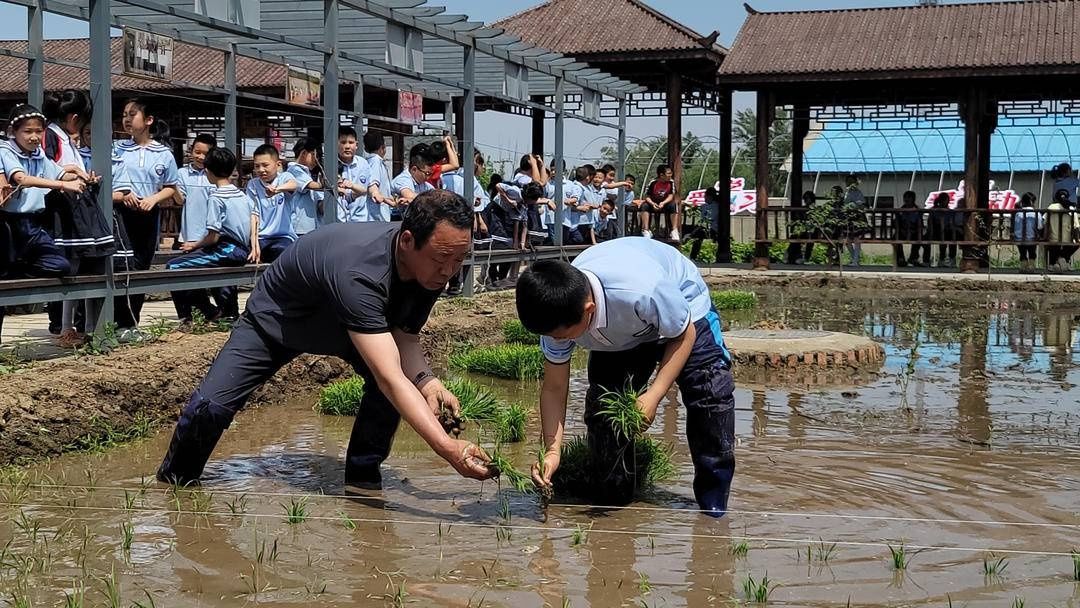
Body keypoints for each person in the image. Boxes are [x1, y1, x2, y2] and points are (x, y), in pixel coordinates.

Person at [155, 189, 494, 487]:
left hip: (353, 328)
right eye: (441, 259)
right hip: (280, 321)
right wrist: (446, 447)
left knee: (389, 388)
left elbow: (404, 334)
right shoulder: (360, 270)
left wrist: (427, 381)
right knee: (210, 408)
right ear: (407, 241)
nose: (450, 271)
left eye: (459, 259)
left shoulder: (431, 269)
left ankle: (363, 478)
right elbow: (390, 377)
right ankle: (175, 483)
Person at [516, 238, 734, 516]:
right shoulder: (557, 314)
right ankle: (614, 500)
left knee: (709, 396)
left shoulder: (642, 289)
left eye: (562, 335)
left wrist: (654, 395)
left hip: (685, 313)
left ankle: (713, 506)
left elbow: (684, 333)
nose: (557, 342)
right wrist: (552, 450)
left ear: (588, 311)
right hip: (622, 332)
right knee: (604, 412)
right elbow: (554, 388)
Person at [0, 104, 85, 342]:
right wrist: (63, 185)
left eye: (38, 131)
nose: (34, 136)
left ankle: (16, 269)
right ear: (13, 132)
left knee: (60, 264)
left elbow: (58, 173)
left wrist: (80, 174)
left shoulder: (39, 155)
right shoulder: (5, 151)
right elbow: (22, 178)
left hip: (33, 224)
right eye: (28, 131)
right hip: (8, 223)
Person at [42, 90, 114, 347]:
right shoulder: (50, 136)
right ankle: (66, 327)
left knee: (84, 265)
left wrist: (85, 177)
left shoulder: (64, 138)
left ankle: (85, 326)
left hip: (77, 209)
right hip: (63, 211)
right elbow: (45, 168)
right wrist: (69, 174)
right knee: (71, 267)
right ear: (75, 119)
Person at [167, 147, 260, 322]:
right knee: (214, 268)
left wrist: (194, 245)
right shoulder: (242, 194)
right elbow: (255, 217)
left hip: (227, 248)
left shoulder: (217, 197)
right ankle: (228, 313)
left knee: (174, 267)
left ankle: (198, 314)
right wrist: (255, 244)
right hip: (240, 248)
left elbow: (213, 236)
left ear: (208, 171)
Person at [111, 98, 179, 333]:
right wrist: (122, 194)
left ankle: (131, 322)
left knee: (140, 266)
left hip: (148, 215)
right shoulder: (116, 148)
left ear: (148, 120)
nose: (126, 119)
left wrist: (153, 199)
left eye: (132, 114)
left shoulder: (164, 154)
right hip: (120, 214)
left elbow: (171, 186)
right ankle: (116, 321)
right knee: (121, 264)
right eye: (124, 115)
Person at [171, 133, 222, 322]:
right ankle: (188, 316)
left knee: (197, 277)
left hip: (211, 234)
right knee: (180, 277)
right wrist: (171, 183)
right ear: (190, 151)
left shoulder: (217, 175)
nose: (200, 157)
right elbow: (180, 200)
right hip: (189, 235)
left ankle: (211, 312)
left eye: (205, 153)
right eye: (196, 152)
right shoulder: (182, 174)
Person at [442, 150, 490, 296]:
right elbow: (477, 203)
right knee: (462, 252)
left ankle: (452, 284)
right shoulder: (467, 179)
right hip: (463, 221)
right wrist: (478, 219)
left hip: (447, 221)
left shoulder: (444, 177)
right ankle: (458, 284)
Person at [246, 143, 298, 263]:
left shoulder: (284, 177)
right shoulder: (252, 185)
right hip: (261, 237)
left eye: (265, 165)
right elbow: (254, 216)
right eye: (257, 166)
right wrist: (255, 245)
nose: (261, 170)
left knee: (282, 251)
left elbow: (294, 184)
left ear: (278, 164)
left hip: (283, 237)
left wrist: (277, 190)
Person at [287, 137, 325, 237]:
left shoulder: (309, 174)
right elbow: (311, 185)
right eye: (314, 155)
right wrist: (328, 183)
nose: (317, 160)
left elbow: (320, 206)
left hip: (313, 226)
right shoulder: (294, 170)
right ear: (304, 153)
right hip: (300, 227)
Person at [336, 126, 369, 222]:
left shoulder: (363, 163)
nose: (347, 146)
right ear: (336, 144)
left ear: (356, 145)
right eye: (343, 142)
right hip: (339, 221)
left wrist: (351, 185)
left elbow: (364, 190)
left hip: (360, 219)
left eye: (351, 142)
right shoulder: (331, 164)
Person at [389, 149, 435, 217]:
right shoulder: (403, 179)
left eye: (431, 174)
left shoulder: (424, 184)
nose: (428, 177)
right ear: (414, 169)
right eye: (427, 173)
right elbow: (410, 196)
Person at [361, 131, 394, 222]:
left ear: (365, 148)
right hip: (377, 216)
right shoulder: (375, 161)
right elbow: (373, 183)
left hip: (379, 214)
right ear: (382, 147)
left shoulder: (368, 161)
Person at [1046, 189, 1078, 273]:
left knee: (1053, 240)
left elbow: (1045, 222)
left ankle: (1052, 263)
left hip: (1053, 237)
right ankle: (1064, 258)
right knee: (1074, 241)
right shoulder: (1071, 208)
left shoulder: (1051, 207)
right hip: (1067, 239)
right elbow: (1076, 226)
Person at [643, 164, 678, 241]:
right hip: (653, 203)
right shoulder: (653, 183)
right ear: (661, 175)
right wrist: (652, 204)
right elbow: (647, 196)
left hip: (665, 203)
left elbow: (671, 196)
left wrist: (663, 203)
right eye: (668, 174)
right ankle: (646, 230)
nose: (670, 175)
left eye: (671, 173)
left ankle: (674, 230)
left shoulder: (671, 183)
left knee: (673, 205)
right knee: (645, 206)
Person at [1012, 192, 1042, 273]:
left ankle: (1023, 266)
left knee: (1022, 252)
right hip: (1032, 238)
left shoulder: (1018, 214)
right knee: (1032, 252)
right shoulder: (1037, 214)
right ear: (1033, 202)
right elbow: (1040, 227)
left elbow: (1015, 227)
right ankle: (1031, 266)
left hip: (1020, 239)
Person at [893, 190, 924, 268]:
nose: (906, 201)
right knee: (895, 238)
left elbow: (920, 225)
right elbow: (897, 224)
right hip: (903, 231)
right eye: (905, 199)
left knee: (919, 237)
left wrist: (913, 230)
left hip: (914, 232)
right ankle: (900, 259)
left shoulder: (918, 211)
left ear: (913, 199)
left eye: (909, 199)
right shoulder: (900, 211)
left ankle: (913, 258)